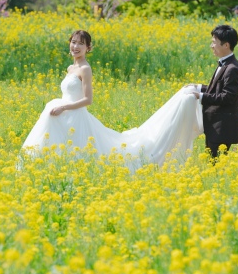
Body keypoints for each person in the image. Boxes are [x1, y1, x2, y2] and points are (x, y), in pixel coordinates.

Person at [22, 30, 203, 169]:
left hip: (74, 114)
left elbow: (87, 99)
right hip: (64, 114)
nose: (75, 47)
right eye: (73, 42)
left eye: (81, 44)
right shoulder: (71, 67)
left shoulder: (85, 68)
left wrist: (65, 108)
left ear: (88, 48)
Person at [191, 25, 238, 158]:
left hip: (223, 127)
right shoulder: (225, 64)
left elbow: (227, 97)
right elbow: (217, 88)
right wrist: (198, 87)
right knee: (214, 165)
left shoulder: (232, 68)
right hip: (216, 125)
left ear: (226, 45)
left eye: (214, 42)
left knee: (215, 165)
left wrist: (201, 96)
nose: (211, 46)